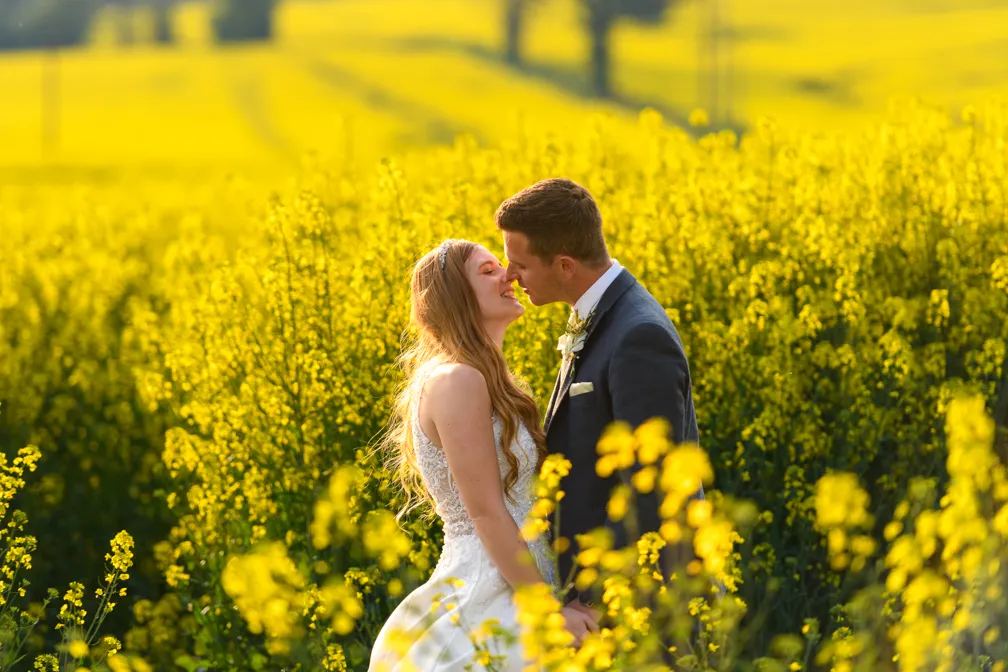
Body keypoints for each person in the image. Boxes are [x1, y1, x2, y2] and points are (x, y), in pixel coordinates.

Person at [368, 239, 598, 672]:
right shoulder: (458, 380)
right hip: (490, 589)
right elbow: (487, 512)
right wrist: (547, 614)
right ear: (458, 297)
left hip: (523, 575)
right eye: (489, 271)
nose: (509, 275)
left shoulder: (488, 379)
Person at [497, 177, 705, 617]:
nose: (510, 275)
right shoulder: (599, 315)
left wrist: (593, 598)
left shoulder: (638, 335)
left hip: (641, 602)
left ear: (566, 265)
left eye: (520, 264)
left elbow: (649, 486)